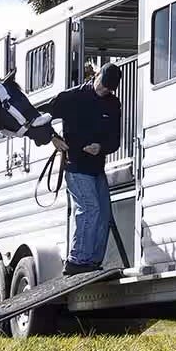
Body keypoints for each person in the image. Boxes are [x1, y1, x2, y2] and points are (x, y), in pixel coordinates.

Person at [47, 62, 123, 275]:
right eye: (102, 85)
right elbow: (41, 116)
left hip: (97, 168)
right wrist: (52, 137)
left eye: (108, 88)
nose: (103, 90)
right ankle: (76, 260)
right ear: (96, 76)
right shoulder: (71, 98)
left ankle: (92, 261)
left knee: (104, 214)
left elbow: (115, 141)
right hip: (76, 166)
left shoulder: (112, 104)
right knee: (90, 209)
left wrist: (101, 147)